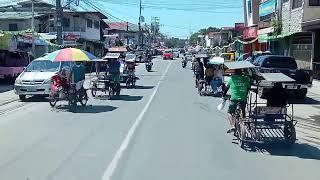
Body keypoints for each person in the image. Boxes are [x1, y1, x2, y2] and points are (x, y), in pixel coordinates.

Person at [223, 68, 250, 133]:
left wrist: (224, 95)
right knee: (243, 110)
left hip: (234, 99)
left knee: (229, 112)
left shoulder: (232, 78)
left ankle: (232, 126)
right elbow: (248, 88)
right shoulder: (246, 79)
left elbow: (226, 88)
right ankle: (243, 121)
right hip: (243, 99)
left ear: (235, 72)